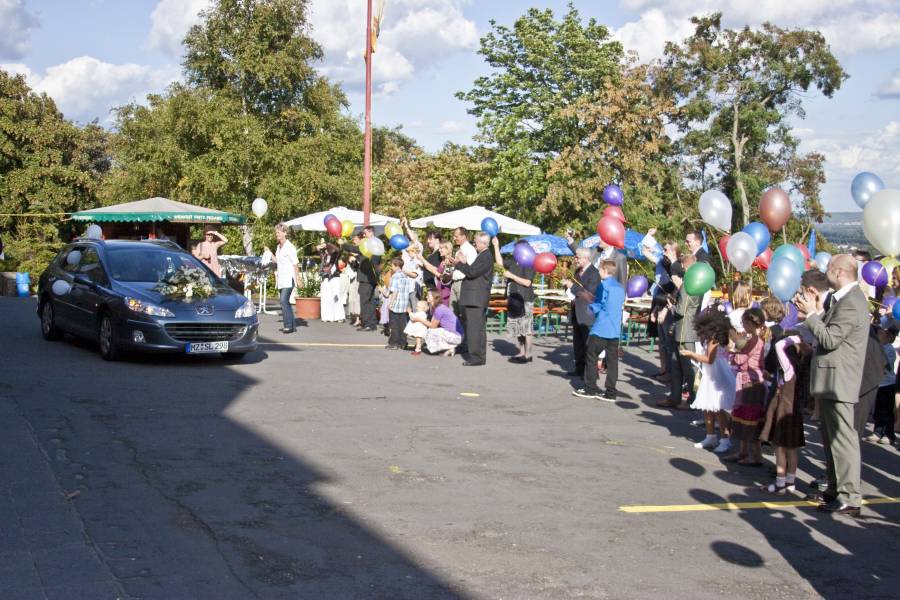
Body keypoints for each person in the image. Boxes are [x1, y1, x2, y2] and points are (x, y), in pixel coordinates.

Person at [795, 254, 869, 516]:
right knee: (830, 439)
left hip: (840, 380)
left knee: (842, 441)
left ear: (839, 272)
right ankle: (836, 489)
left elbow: (830, 338)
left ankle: (850, 495)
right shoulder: (844, 300)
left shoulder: (851, 302)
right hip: (831, 379)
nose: (825, 273)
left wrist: (813, 315)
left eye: (828, 269)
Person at [759, 332, 811, 494]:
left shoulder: (789, 370)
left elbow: (778, 346)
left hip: (784, 412)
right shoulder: (802, 367)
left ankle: (780, 482)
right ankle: (790, 481)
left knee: (780, 448)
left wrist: (793, 338)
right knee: (792, 449)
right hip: (795, 413)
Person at [680, 308, 735, 451]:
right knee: (708, 406)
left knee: (718, 408)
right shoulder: (714, 338)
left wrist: (691, 354)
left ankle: (724, 439)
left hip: (716, 375)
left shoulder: (714, 341)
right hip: (712, 374)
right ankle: (711, 436)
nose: (703, 333)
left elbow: (709, 359)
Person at [572, 260, 625, 401]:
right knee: (613, 362)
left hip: (602, 327)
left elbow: (599, 305)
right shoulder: (620, 287)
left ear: (605, 270)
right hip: (614, 329)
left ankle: (590, 388)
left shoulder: (603, 285)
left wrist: (588, 301)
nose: (599, 272)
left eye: (600, 270)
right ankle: (611, 392)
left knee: (591, 355)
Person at [725, 308, 769, 466]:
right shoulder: (752, 339)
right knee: (743, 417)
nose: (743, 325)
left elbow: (740, 359)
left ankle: (756, 455)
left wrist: (732, 352)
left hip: (752, 382)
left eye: (744, 322)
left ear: (751, 323)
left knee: (751, 419)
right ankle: (743, 451)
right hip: (746, 380)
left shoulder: (755, 341)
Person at [658, 255, 700, 409]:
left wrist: (671, 306)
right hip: (680, 329)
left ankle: (693, 400)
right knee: (675, 364)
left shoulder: (690, 283)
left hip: (685, 329)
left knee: (688, 367)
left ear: (685, 266)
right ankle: (675, 397)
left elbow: (682, 310)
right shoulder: (690, 282)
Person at [449, 232, 494, 366]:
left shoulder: (485, 256)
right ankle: (478, 356)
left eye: (476, 242)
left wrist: (459, 263)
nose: (474, 244)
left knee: (475, 328)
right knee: (477, 328)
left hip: (476, 298)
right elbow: (472, 270)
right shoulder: (483, 255)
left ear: (482, 243)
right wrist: (462, 263)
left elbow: (472, 272)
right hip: (474, 297)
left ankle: (476, 357)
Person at [493, 237, 536, 363]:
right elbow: (500, 263)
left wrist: (511, 276)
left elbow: (527, 282)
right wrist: (496, 246)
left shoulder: (529, 263)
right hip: (513, 298)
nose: (515, 251)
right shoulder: (514, 261)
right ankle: (521, 352)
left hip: (525, 298)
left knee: (526, 328)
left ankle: (528, 354)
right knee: (518, 328)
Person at [562, 248, 600, 378]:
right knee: (577, 342)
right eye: (575, 257)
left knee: (588, 344)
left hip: (587, 313)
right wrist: (566, 285)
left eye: (577, 257)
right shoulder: (577, 271)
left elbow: (589, 293)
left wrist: (572, 286)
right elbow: (573, 288)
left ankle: (590, 373)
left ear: (586, 258)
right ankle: (579, 368)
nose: (575, 259)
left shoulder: (594, 273)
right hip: (576, 310)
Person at [411, 288, 463, 356]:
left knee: (430, 332)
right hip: (456, 334)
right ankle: (449, 347)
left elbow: (433, 326)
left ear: (434, 297)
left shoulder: (439, 309)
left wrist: (419, 319)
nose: (426, 297)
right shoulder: (438, 308)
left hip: (456, 336)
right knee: (432, 331)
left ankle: (450, 347)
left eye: (429, 296)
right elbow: (432, 323)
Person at [869, 325, 898, 444]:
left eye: (883, 334)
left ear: (889, 337)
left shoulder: (889, 349)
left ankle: (888, 434)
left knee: (886, 411)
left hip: (887, 384)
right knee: (878, 410)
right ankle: (877, 431)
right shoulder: (878, 347)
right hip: (878, 384)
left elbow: (884, 365)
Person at [272, 224, 300, 334]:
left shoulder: (290, 247)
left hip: (289, 278)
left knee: (283, 301)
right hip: (281, 278)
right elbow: (277, 261)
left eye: (278, 232)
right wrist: (269, 253)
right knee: (285, 302)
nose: (277, 234)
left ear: (285, 233)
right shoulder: (278, 247)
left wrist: (298, 278)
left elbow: (295, 264)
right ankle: (292, 326)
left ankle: (288, 325)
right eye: (276, 232)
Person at [386, 257, 414, 350]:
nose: (391, 267)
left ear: (397, 266)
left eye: (392, 266)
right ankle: (403, 342)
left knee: (394, 325)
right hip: (404, 303)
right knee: (402, 324)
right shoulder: (405, 276)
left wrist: (391, 303)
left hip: (396, 303)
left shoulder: (395, 276)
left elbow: (394, 291)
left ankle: (394, 343)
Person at [450, 227, 477, 316]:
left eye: (456, 236)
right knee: (453, 312)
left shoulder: (470, 250)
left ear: (464, 236)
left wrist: (457, 263)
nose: (454, 238)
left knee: (462, 313)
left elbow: (471, 269)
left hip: (463, 283)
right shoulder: (459, 250)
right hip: (455, 282)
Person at [420, 241, 455, 305]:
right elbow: (432, 269)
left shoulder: (450, 262)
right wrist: (421, 259)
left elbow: (446, 278)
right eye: (439, 248)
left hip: (445, 293)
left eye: (441, 248)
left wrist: (439, 275)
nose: (439, 250)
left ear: (448, 250)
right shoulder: (442, 262)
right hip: (439, 292)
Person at [317, 243, 345, 323]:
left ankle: (339, 316)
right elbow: (318, 249)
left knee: (336, 297)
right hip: (325, 278)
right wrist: (319, 246)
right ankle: (327, 316)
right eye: (325, 249)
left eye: (327, 248)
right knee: (326, 297)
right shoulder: (324, 257)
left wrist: (328, 244)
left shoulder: (335, 256)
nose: (326, 250)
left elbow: (338, 250)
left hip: (334, 278)